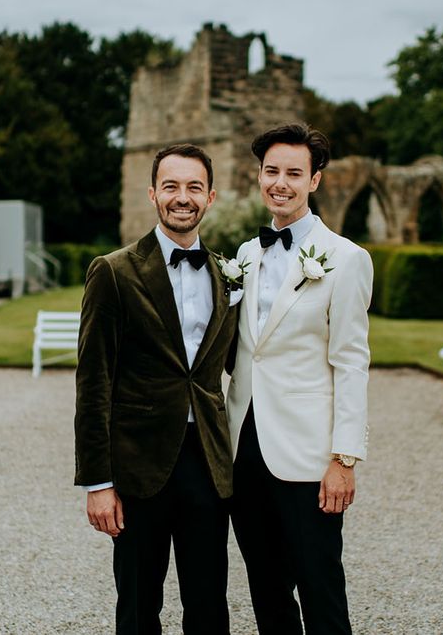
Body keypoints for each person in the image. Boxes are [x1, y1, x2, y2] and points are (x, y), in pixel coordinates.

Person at [74, 144, 239, 635]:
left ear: (211, 197)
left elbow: (248, 366)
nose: (181, 197)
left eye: (193, 187)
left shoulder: (229, 274)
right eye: (171, 186)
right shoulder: (113, 271)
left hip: (208, 463)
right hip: (137, 465)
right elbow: (93, 381)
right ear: (153, 194)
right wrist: (98, 483)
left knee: (209, 605)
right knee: (139, 605)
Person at [226, 123, 373, 635]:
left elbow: (352, 363)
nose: (280, 183)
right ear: (259, 176)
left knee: (320, 589)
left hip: (309, 456)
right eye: (271, 172)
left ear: (314, 181)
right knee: (267, 592)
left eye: (294, 173)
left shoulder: (348, 259)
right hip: (244, 448)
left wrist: (344, 458)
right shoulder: (245, 255)